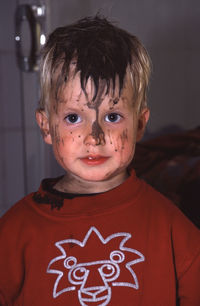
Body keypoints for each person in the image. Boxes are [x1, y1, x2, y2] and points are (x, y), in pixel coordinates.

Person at [0, 15, 200, 306]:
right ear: (46, 127)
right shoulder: (15, 231)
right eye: (73, 118)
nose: (94, 137)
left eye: (112, 117)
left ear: (140, 125)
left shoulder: (168, 224)